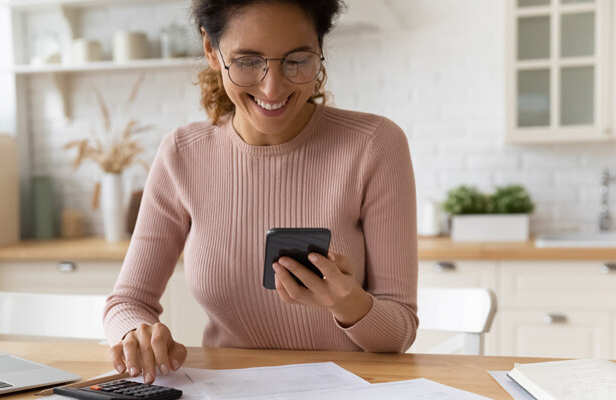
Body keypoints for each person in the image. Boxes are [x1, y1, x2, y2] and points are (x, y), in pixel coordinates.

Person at [104, 0, 418, 384]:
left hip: (346, 389)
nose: (273, 87)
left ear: (320, 49)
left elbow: (399, 332)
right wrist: (136, 332)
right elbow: (127, 302)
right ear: (211, 50)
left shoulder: (374, 145)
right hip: (225, 389)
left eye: (297, 60)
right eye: (248, 60)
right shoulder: (182, 154)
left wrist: (347, 301)